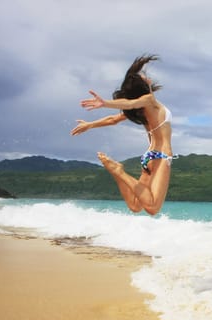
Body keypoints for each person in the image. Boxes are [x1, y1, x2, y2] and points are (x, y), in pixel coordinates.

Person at [71, 54, 174, 215]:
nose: (147, 78)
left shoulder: (143, 111)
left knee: (135, 205)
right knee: (152, 208)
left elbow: (114, 119)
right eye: (144, 77)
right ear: (142, 85)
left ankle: (117, 172)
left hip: (150, 156)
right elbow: (130, 103)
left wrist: (90, 124)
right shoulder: (149, 101)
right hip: (161, 156)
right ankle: (119, 171)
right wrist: (105, 103)